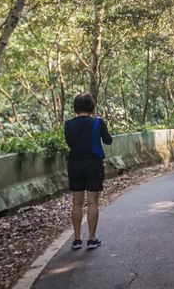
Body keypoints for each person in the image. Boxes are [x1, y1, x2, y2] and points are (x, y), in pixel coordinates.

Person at [64, 92, 113, 250]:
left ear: (76, 107)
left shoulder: (68, 124)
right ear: (91, 107)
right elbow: (108, 140)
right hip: (93, 164)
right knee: (93, 202)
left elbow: (70, 142)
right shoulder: (97, 122)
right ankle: (92, 239)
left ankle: (77, 239)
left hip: (74, 164)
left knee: (76, 203)